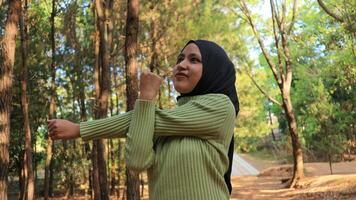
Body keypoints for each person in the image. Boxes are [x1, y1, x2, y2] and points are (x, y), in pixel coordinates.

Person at [48, 40, 239, 200]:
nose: (181, 64)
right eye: (180, 59)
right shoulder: (163, 123)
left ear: (214, 70)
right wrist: (145, 106)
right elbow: (137, 162)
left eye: (194, 60)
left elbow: (151, 119)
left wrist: (80, 129)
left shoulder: (221, 106)